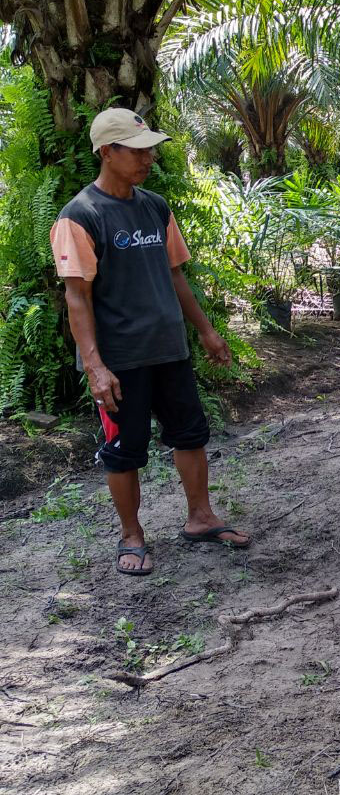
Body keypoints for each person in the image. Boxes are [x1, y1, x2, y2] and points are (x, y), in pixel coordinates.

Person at [50, 108, 249, 577]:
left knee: (190, 432)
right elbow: (76, 298)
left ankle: (200, 518)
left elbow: (175, 274)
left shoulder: (155, 206)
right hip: (120, 360)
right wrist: (95, 366)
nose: (147, 159)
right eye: (136, 151)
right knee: (124, 447)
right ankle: (131, 535)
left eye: (150, 150)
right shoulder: (80, 216)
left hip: (169, 348)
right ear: (106, 152)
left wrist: (205, 330)